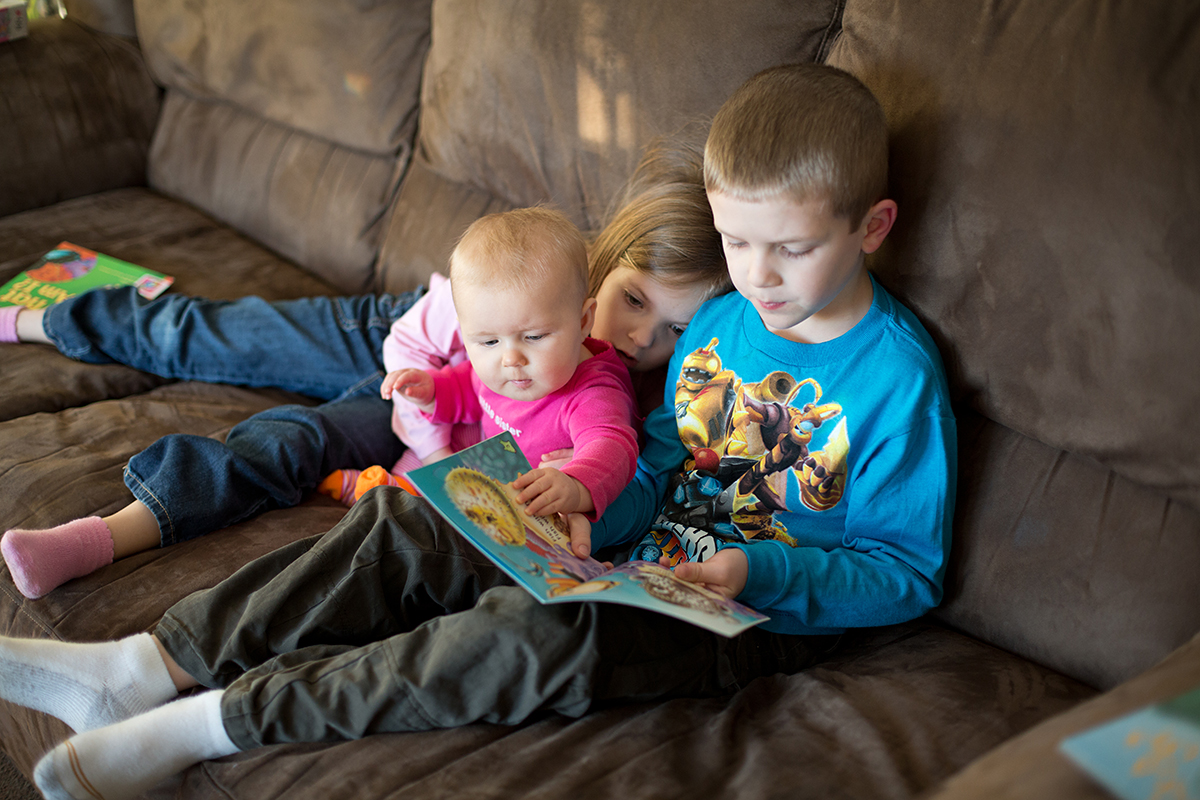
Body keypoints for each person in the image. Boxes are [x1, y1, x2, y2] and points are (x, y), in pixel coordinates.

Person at [0, 63, 956, 800]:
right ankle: (143, 666)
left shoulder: (899, 382)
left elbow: (906, 572)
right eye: (737, 243)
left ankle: (218, 722)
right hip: (627, 541)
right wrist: (593, 497)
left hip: (752, 608)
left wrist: (760, 573)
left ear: (872, 227)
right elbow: (661, 448)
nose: (759, 276)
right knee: (416, 514)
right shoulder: (721, 318)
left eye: (791, 248)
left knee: (529, 640)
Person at [0, 139, 729, 599]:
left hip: (451, 405)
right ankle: (39, 317)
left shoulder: (640, 393)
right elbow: (461, 343)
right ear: (601, 269)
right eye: (632, 299)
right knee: (213, 335)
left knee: (298, 439)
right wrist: (443, 385)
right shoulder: (533, 287)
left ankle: (110, 532)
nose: (641, 337)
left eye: (676, 328)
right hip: (413, 343)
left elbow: (616, 460)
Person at [381, 205, 639, 520]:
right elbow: (470, 388)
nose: (510, 359)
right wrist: (433, 391)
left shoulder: (593, 393)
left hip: (531, 501)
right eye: (489, 342)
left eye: (534, 337)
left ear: (584, 320)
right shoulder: (506, 369)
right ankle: (376, 492)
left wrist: (575, 485)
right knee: (410, 476)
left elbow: (612, 444)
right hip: (489, 460)